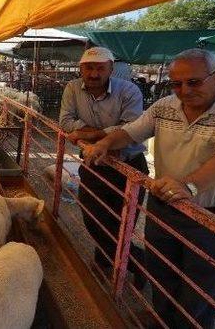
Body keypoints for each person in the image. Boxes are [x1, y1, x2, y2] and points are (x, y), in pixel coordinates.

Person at [83, 49, 215, 328]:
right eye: (176, 84)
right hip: (165, 206)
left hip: (212, 214)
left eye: (193, 82)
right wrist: (106, 144)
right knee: (161, 273)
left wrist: (189, 185)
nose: (184, 90)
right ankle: (162, 320)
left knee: (199, 288)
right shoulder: (165, 106)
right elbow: (131, 131)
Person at [59, 46, 147, 285]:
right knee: (93, 218)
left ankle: (105, 262)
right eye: (89, 68)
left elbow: (131, 128)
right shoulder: (73, 88)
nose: (94, 73)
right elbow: (66, 121)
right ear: (81, 69)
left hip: (129, 165)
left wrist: (89, 134)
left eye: (100, 68)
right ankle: (140, 263)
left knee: (120, 222)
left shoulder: (129, 91)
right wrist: (108, 135)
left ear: (111, 69)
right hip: (94, 163)